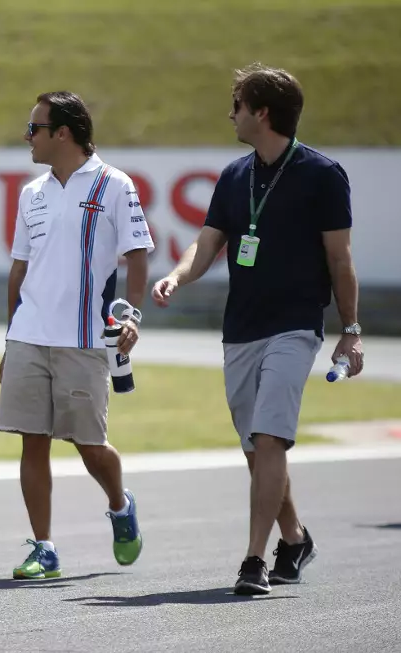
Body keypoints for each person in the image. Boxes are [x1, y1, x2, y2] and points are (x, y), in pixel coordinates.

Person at [151, 63, 363, 596]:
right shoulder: (233, 176)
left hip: (295, 327)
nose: (231, 114)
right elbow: (208, 242)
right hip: (240, 328)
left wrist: (351, 329)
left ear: (261, 113)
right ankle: (294, 537)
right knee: (257, 448)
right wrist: (177, 276)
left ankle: (253, 559)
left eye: (237, 105)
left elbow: (340, 260)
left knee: (269, 437)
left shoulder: (323, 174)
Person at [0, 91, 153, 580]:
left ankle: (120, 505)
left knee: (89, 446)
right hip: (28, 335)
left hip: (84, 339)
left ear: (62, 132)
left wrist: (132, 317)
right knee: (32, 440)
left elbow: (139, 255)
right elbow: (20, 267)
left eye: (34, 128)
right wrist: (9, 338)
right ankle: (44, 547)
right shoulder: (31, 193)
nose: (28, 137)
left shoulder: (114, 184)